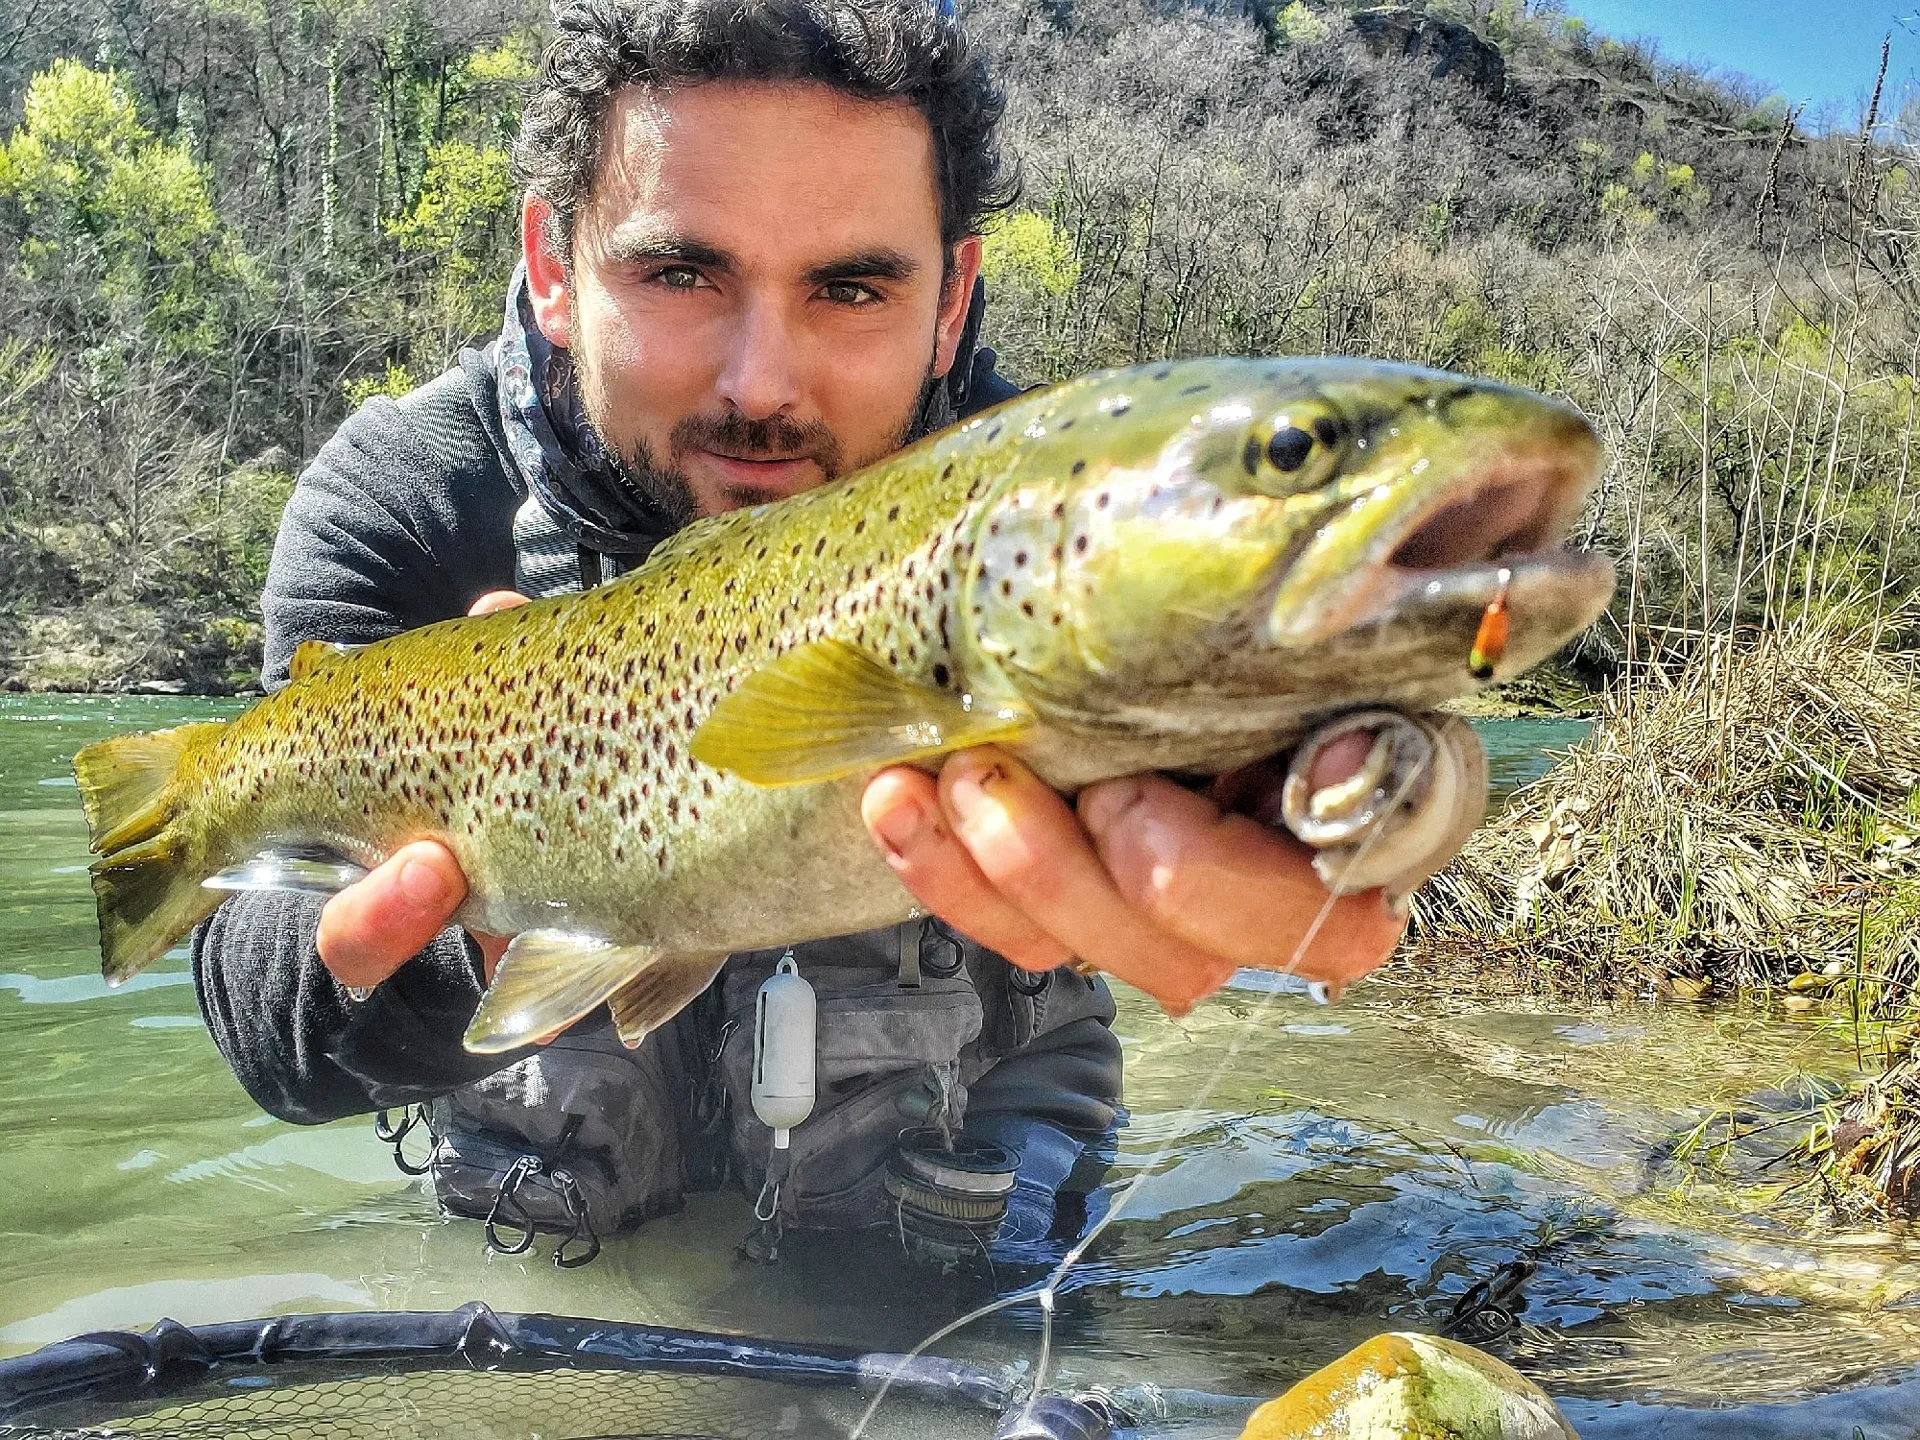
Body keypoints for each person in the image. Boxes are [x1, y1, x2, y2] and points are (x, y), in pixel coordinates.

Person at [190, 0, 1409, 1256]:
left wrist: (1367, 794)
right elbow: (264, 1018)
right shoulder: (406, 497)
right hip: (558, 1232)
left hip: (966, 1199)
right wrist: (484, 919)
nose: (761, 383)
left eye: (851, 288)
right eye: (681, 273)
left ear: (951, 301)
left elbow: (1306, 695)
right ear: (554, 267)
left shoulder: (1058, 516)